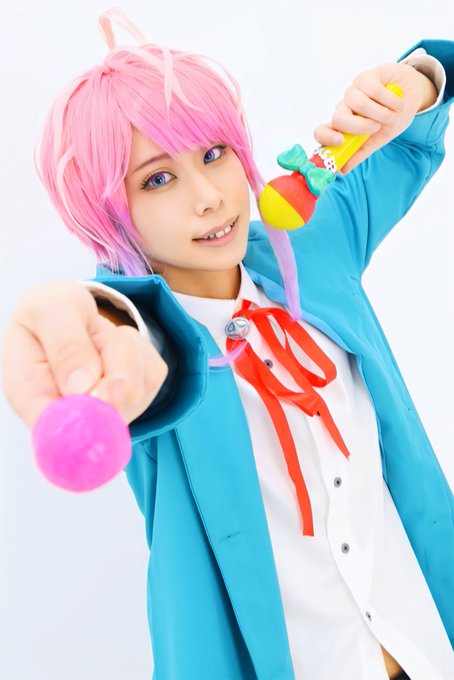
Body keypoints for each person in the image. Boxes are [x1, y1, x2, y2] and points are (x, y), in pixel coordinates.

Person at [2, 8, 453, 680]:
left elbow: (412, 140)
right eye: (157, 179)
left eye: (214, 154)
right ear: (107, 213)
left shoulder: (312, 243)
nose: (211, 197)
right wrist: (76, 317)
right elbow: (131, 344)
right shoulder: (149, 341)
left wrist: (417, 82)